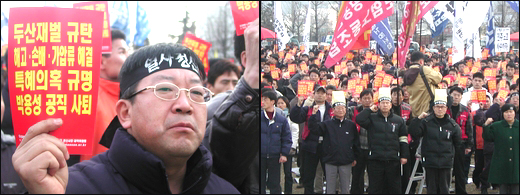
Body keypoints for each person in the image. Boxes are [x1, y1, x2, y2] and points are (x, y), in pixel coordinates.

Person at [11, 43, 241, 194]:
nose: (184, 105)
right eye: (164, 89)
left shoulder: (226, 191)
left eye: (197, 93)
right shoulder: (68, 187)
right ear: (125, 113)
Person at [78, 29, 129, 163]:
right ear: (101, 62)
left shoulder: (130, 97)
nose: (128, 57)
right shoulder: (85, 97)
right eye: (122, 51)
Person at [355, 88, 409, 194]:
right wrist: (370, 109)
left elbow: (403, 139)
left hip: (393, 159)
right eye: (382, 103)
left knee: (394, 187)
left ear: (390, 105)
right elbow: (359, 119)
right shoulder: (372, 118)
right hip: (375, 159)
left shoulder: (398, 120)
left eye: (387, 103)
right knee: (375, 187)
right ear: (378, 104)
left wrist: (404, 155)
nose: (385, 105)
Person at [409, 89, 462, 194]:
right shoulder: (426, 122)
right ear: (433, 108)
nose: (440, 109)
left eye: (442, 107)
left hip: (445, 162)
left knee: (444, 189)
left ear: (446, 108)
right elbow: (414, 132)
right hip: (430, 162)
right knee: (431, 189)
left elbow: (458, 143)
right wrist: (418, 119)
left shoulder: (453, 125)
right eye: (437, 107)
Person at [308, 96, 360, 194]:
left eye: (342, 108)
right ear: (333, 110)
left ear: (346, 110)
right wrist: (313, 115)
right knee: (330, 187)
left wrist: (355, 157)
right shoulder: (327, 124)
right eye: (338, 108)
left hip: (346, 160)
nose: (340, 110)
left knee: (345, 187)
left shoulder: (351, 125)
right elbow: (314, 129)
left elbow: (355, 142)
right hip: (330, 160)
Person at [290, 86, 333, 194]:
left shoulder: (331, 109)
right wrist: (298, 105)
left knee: (329, 174)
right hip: (310, 145)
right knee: (309, 175)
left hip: (326, 146)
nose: (320, 95)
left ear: (326, 95)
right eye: (317, 93)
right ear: (313, 94)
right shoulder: (307, 108)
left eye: (323, 93)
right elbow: (295, 118)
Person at [482, 104, 519, 194]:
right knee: (503, 186)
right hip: (502, 161)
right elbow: (488, 137)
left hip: (517, 161)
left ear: (515, 113)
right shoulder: (497, 126)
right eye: (506, 112)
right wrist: (486, 125)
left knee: (516, 186)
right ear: (502, 114)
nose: (509, 114)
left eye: (511, 112)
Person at [260, 91, 292, 194]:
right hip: (260, 155)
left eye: (265, 99)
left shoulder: (281, 120)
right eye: (262, 99)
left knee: (275, 183)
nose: (263, 102)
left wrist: (284, 153)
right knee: (259, 183)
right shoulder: (258, 117)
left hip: (275, 156)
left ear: (272, 102)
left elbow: (286, 137)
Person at [446, 87, 473, 194]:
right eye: (453, 95)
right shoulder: (444, 108)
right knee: (446, 168)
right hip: (446, 142)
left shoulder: (465, 110)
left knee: (459, 169)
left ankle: (460, 191)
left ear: (461, 97)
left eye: (458, 95)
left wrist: (469, 146)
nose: (455, 97)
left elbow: (469, 128)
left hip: (461, 143)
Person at [347, 89, 373, 194]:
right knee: (357, 174)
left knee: (372, 174)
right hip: (358, 147)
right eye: (364, 98)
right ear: (360, 100)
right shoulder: (353, 110)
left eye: (369, 98)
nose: (367, 100)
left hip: (372, 147)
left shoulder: (376, 111)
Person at [403, 51, 443, 118]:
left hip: (414, 109)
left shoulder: (406, 73)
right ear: (421, 62)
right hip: (426, 110)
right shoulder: (424, 70)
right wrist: (430, 68)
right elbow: (439, 78)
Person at [276, 96, 298, 194]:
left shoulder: (291, 117)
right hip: (275, 148)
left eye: (282, 103)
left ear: (286, 104)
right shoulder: (273, 116)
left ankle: (288, 191)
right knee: (275, 172)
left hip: (287, 148)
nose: (280, 105)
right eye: (278, 103)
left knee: (287, 172)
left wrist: (292, 147)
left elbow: (295, 132)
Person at [472, 94, 492, 194]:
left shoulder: (495, 113)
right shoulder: (476, 113)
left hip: (490, 145)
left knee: (489, 165)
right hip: (479, 143)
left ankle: (489, 183)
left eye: (488, 101)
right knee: (479, 165)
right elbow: (478, 122)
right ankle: (477, 182)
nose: (485, 103)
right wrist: (479, 110)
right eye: (484, 101)